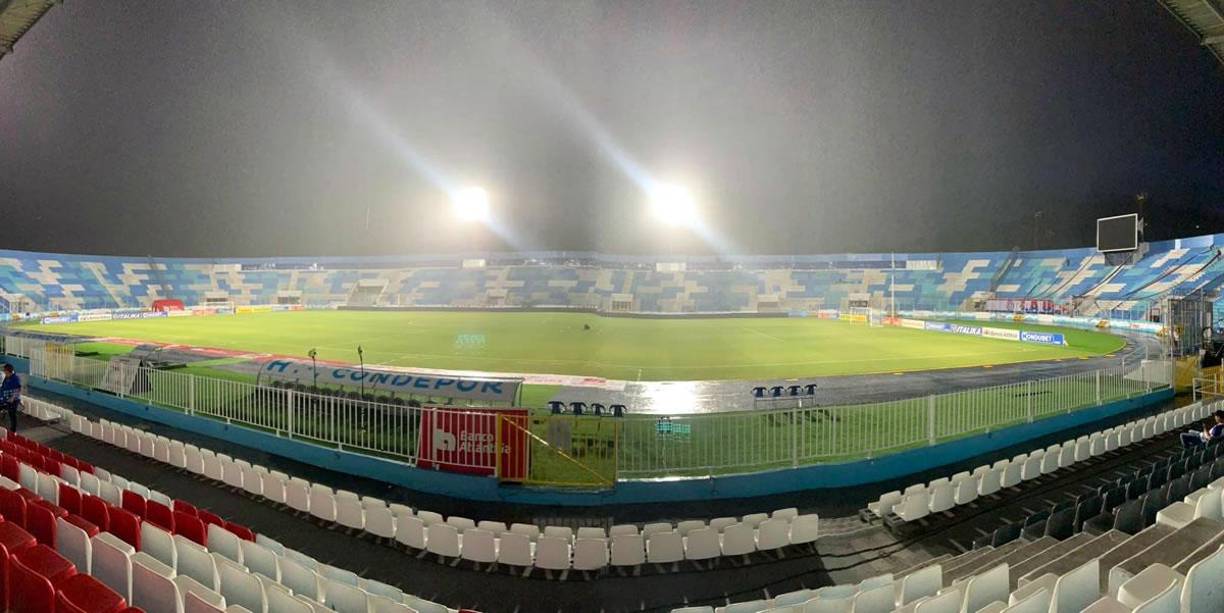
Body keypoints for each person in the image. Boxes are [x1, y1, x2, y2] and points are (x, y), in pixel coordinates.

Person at [0, 363, 20, 433]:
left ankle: (13, 430)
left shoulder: (15, 378)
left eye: (5, 371)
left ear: (8, 371)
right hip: (5, 398)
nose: (4, 372)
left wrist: (12, 397)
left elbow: (18, 389)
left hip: (13, 400)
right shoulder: (6, 377)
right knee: (9, 412)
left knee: (12, 415)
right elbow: (3, 387)